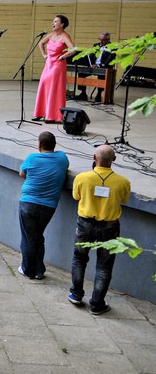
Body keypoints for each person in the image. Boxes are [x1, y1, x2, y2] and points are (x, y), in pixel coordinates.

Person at [67, 145, 130, 315]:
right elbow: (125, 200)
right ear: (114, 159)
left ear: (94, 157)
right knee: (104, 267)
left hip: (85, 223)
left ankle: (76, 294)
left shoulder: (82, 177)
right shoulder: (123, 182)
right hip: (110, 226)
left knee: (79, 259)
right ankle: (97, 304)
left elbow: (76, 197)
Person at [17, 131, 69, 280]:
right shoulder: (62, 158)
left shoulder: (32, 158)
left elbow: (22, 173)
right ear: (54, 145)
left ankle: (28, 270)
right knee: (38, 236)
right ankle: (39, 270)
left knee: (28, 238)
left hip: (28, 203)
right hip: (48, 206)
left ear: (39, 145)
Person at [33, 14, 77, 123]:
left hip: (58, 65)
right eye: (53, 21)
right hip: (48, 64)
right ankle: (40, 113)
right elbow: (41, 43)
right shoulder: (51, 35)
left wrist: (63, 56)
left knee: (53, 88)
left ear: (62, 24)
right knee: (43, 85)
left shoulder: (65, 36)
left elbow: (73, 50)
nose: (53, 23)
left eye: (56, 21)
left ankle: (52, 115)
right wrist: (44, 55)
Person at [74, 31, 116, 103]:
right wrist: (90, 62)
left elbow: (109, 60)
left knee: (102, 76)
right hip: (93, 66)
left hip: (104, 67)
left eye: (103, 40)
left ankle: (99, 94)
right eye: (100, 39)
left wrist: (99, 65)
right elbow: (92, 56)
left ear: (108, 40)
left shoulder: (113, 47)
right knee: (81, 73)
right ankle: (83, 93)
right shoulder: (96, 45)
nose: (101, 41)